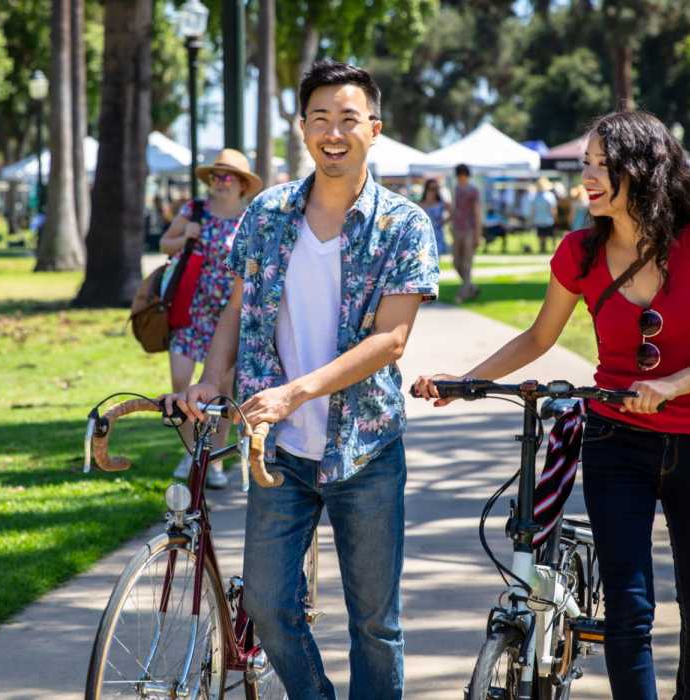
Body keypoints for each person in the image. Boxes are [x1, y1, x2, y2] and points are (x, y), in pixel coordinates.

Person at [414, 110, 690, 700]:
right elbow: (537, 337)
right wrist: (467, 380)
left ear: (645, 169)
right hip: (615, 442)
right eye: (586, 163)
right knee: (628, 612)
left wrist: (674, 385)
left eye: (604, 164)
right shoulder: (578, 251)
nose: (589, 176)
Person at [167, 59, 439, 699]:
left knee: (375, 623)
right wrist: (212, 379)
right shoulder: (266, 214)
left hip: (365, 450)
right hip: (277, 450)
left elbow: (391, 339)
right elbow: (236, 308)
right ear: (303, 128)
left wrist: (298, 390)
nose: (334, 132)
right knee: (266, 605)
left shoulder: (404, 225)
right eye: (320, 119)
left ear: (375, 127)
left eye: (348, 119)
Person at [159, 148, 263, 488]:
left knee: (221, 389)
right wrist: (184, 235)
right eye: (215, 176)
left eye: (227, 176)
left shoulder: (250, 218)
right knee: (181, 382)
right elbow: (165, 244)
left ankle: (214, 460)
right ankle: (191, 451)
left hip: (229, 313)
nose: (220, 182)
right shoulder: (196, 210)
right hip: (192, 309)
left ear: (242, 184)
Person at [451, 163, 483, 302]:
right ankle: (471, 287)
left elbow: (477, 212)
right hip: (458, 229)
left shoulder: (473, 190)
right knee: (456, 262)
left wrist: (478, 234)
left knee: (466, 263)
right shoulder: (456, 189)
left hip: (470, 229)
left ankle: (463, 294)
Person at [419, 177, 450, 256]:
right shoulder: (420, 204)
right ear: (426, 189)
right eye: (431, 188)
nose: (433, 191)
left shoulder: (441, 203)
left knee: (436, 259)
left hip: (437, 235)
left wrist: (444, 221)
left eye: (436, 188)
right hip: (423, 235)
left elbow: (453, 212)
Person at [527, 176, 558, 253]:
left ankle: (542, 249)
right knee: (551, 236)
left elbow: (533, 210)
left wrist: (532, 218)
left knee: (541, 236)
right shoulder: (550, 196)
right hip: (548, 219)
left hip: (538, 219)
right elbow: (553, 209)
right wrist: (555, 218)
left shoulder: (535, 196)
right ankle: (553, 250)